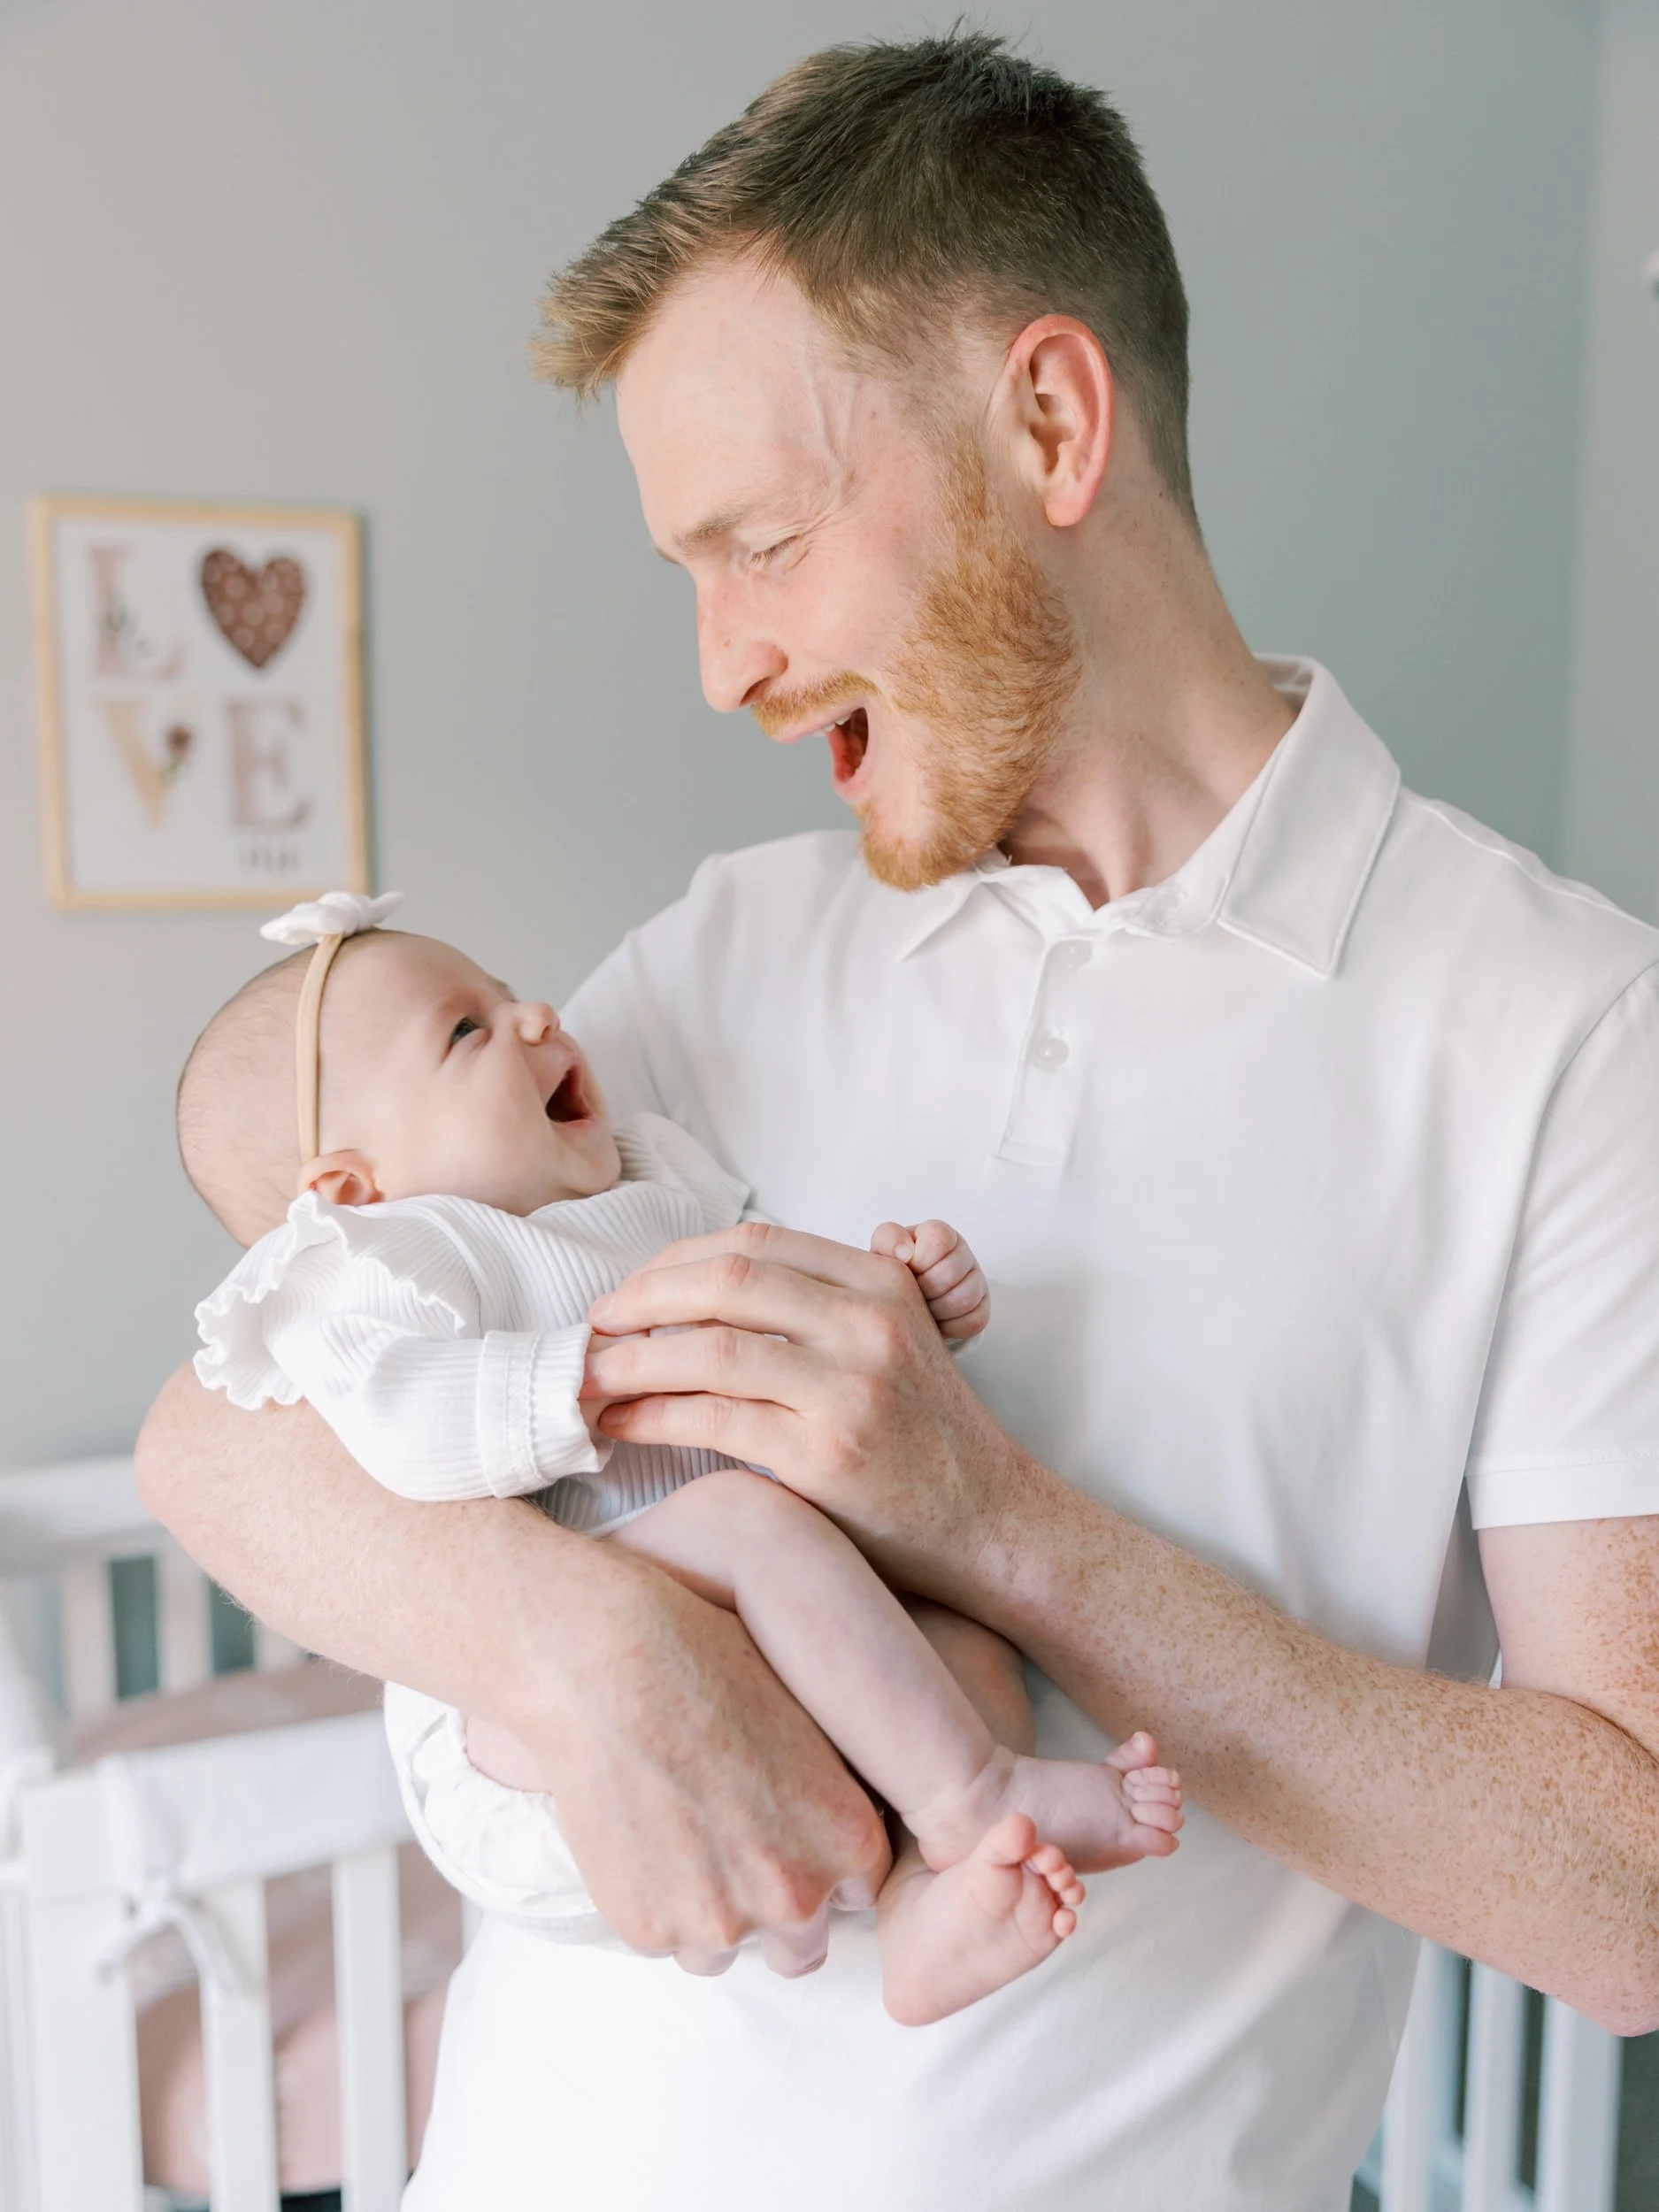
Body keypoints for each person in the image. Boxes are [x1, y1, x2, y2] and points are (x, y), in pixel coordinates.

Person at [137, 31, 1659, 2212]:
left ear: (1046, 421)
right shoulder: (718, 957)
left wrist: (1001, 1526)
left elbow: (1620, 1897)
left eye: (754, 543)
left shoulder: (1560, 1036)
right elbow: (222, 1425)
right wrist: (566, 1647)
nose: (718, 663)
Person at [175, 897, 1182, 2024]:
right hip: (543, 1731)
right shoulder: (398, 1251)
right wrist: (580, 1379)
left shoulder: (643, 1180)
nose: (534, 1016)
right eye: (465, 1031)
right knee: (752, 1522)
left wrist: (895, 1294)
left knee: (964, 1649)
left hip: (747, 1624)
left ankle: (921, 1909)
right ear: (351, 1187)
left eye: (507, 992)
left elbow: (765, 1298)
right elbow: (393, 1415)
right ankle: (974, 1800)